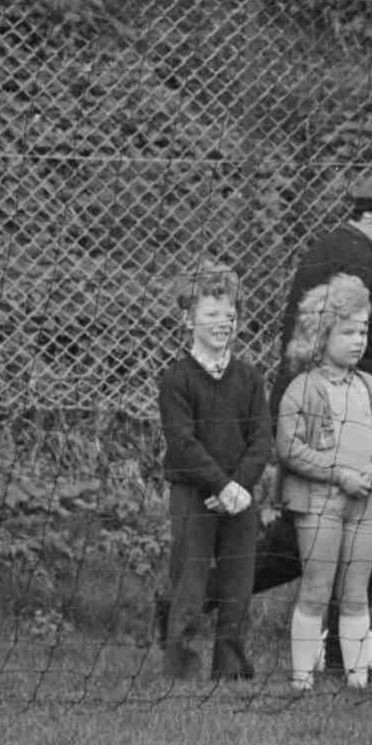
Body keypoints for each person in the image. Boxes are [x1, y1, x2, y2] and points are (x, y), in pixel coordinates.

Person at [263, 169, 372, 669]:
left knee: (311, 536)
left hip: (341, 411)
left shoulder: (345, 250)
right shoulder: (354, 261)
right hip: (330, 418)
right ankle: (198, 593)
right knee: (326, 540)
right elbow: (321, 343)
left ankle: (338, 646)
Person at [276, 273, 372, 691]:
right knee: (316, 589)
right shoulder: (302, 389)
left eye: (363, 331)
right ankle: (301, 679)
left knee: (356, 592)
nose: (358, 340)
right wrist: (339, 474)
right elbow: (289, 448)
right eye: (347, 331)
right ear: (321, 333)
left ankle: (357, 679)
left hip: (364, 504)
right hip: (319, 505)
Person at [156, 261, 272, 681]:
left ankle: (231, 668)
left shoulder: (250, 378)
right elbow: (182, 444)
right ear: (188, 318)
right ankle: (181, 668)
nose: (223, 323)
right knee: (189, 581)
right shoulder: (176, 379)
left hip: (240, 496)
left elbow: (262, 439)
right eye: (211, 314)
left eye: (230, 314)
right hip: (194, 494)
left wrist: (240, 486)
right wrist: (220, 485)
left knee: (238, 585)